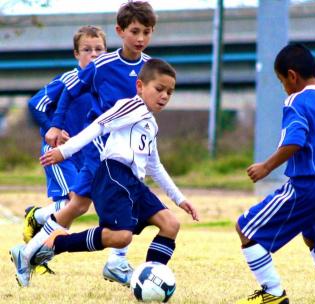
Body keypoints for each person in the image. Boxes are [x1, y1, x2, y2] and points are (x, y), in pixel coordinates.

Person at [12, 58, 199, 287]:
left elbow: (154, 166)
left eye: (169, 92)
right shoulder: (130, 105)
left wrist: (180, 199)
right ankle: (57, 245)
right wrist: (64, 151)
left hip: (134, 182)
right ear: (139, 86)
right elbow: (98, 125)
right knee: (121, 236)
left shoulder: (151, 122)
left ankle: (151, 281)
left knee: (171, 225)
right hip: (113, 176)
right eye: (159, 89)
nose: (164, 96)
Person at [18, 0, 157, 287]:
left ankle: (32, 250)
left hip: (125, 152)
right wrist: (54, 126)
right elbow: (58, 97)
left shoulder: (148, 67)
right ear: (121, 32)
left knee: (79, 206)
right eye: (135, 31)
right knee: (79, 204)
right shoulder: (99, 67)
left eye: (147, 32)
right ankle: (35, 248)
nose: (141, 38)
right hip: (93, 150)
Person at [235, 43, 315, 304]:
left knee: (245, 227)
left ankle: (272, 293)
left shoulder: (297, 100)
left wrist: (266, 167)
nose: (283, 87)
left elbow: (295, 139)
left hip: (307, 186)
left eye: (282, 81)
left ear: (292, 76)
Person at [25, 25, 107, 276]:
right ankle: (36, 220)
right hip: (59, 153)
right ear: (76, 54)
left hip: (85, 155)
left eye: (99, 49)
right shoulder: (68, 80)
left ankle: (37, 238)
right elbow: (35, 103)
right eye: (87, 50)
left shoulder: (105, 84)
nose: (93, 55)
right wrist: (52, 128)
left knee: (78, 205)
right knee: (71, 203)